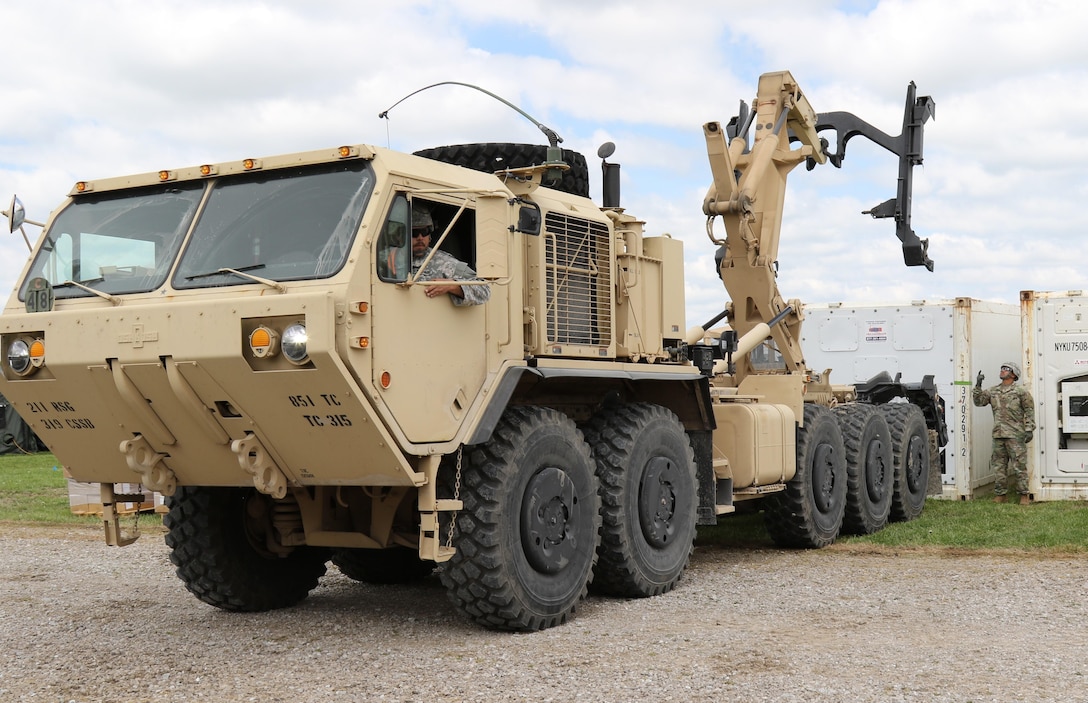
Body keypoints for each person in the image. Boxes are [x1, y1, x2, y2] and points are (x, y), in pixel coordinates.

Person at [973, 361, 1036, 505]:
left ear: (1013, 374)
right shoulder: (993, 391)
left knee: (1019, 466)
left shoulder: (1021, 392)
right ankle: (1001, 494)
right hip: (998, 434)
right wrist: (978, 386)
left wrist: (1029, 429)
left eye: (1006, 369)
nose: (1002, 371)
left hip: (1015, 435)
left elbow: (1029, 411)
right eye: (1001, 368)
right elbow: (979, 402)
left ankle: (1024, 495)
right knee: (999, 466)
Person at [409, 203, 490, 306]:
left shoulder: (443, 262)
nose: (420, 237)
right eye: (414, 232)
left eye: (425, 231)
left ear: (430, 235)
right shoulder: (387, 258)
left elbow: (484, 290)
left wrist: (452, 286)